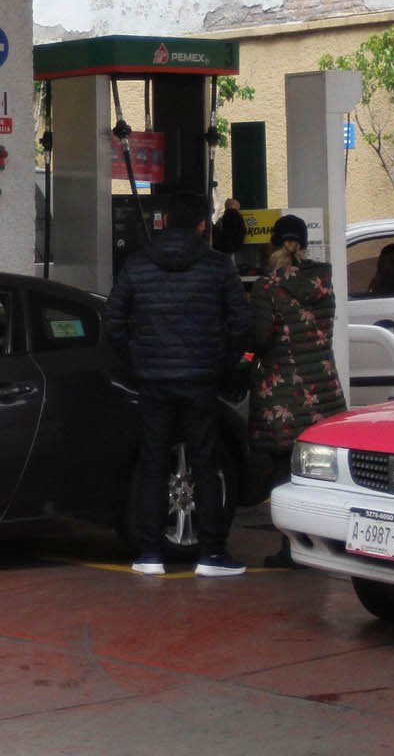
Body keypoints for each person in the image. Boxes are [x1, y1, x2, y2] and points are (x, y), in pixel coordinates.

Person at [106, 191, 252, 578]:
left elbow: (113, 323)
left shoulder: (138, 266)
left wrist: (137, 361)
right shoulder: (219, 267)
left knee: (155, 464)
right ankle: (212, 554)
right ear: (203, 224)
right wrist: (222, 362)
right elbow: (242, 323)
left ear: (165, 221)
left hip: (153, 380)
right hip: (202, 379)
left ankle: (150, 554)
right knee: (205, 464)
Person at [251, 214, 346, 568]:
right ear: (305, 244)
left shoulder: (267, 287)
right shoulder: (324, 281)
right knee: (320, 471)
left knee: (283, 472)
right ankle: (327, 543)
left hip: (283, 396)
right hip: (324, 390)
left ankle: (290, 548)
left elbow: (260, 338)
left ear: (273, 243)